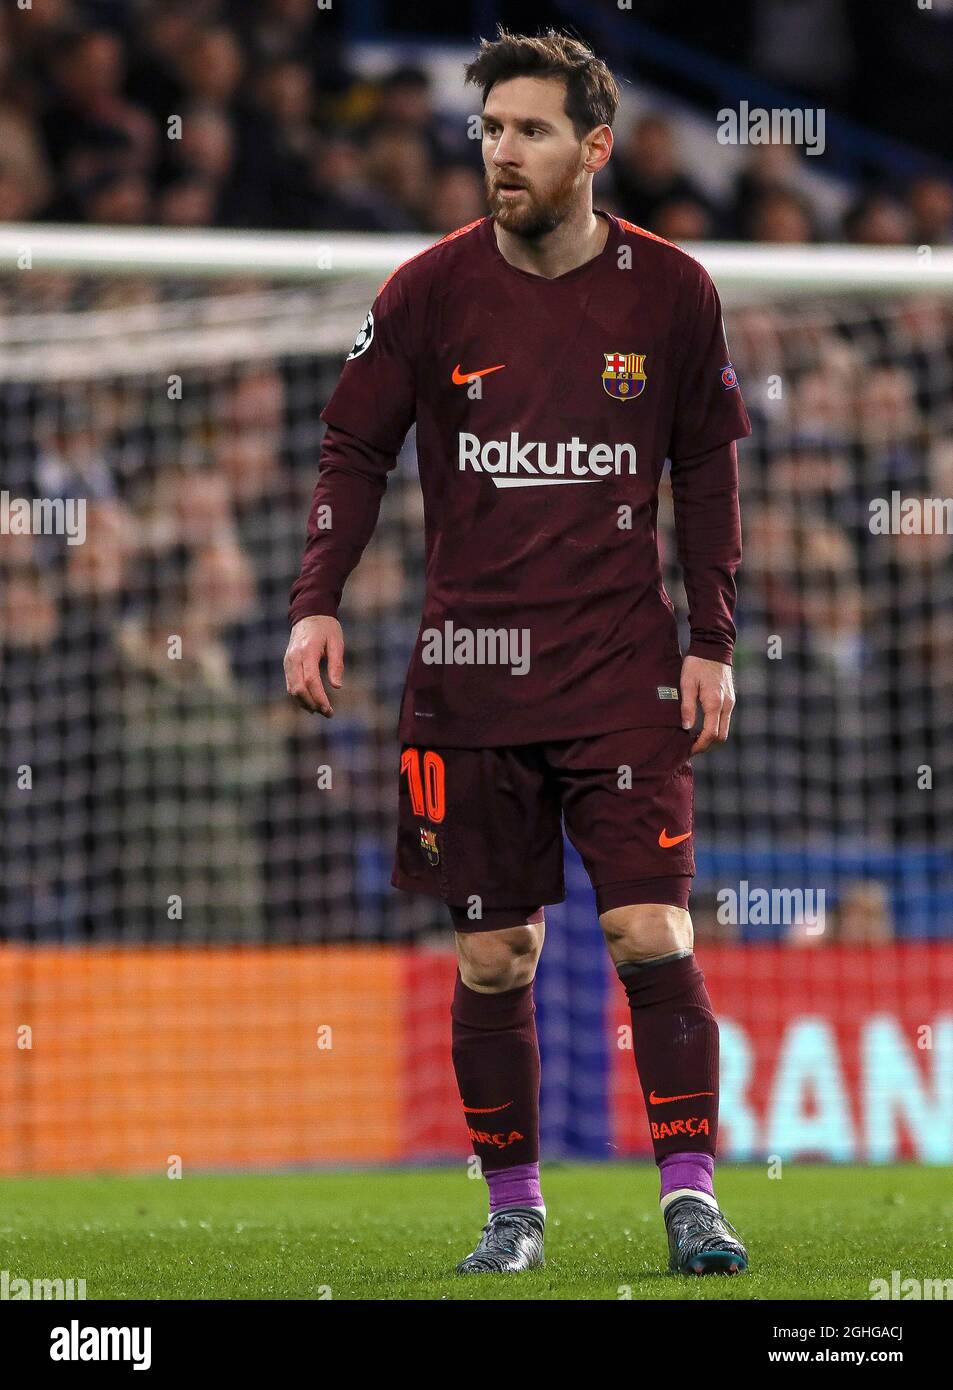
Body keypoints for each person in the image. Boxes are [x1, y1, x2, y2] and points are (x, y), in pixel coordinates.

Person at [286, 29, 750, 1279]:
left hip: (620, 674)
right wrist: (315, 600)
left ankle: (691, 1201)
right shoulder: (428, 289)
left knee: (652, 934)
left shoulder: (671, 292)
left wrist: (711, 638)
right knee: (497, 954)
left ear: (593, 149)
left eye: (530, 129)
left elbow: (705, 464)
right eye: (489, 128)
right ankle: (513, 1208)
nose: (501, 150)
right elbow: (351, 448)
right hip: (467, 680)